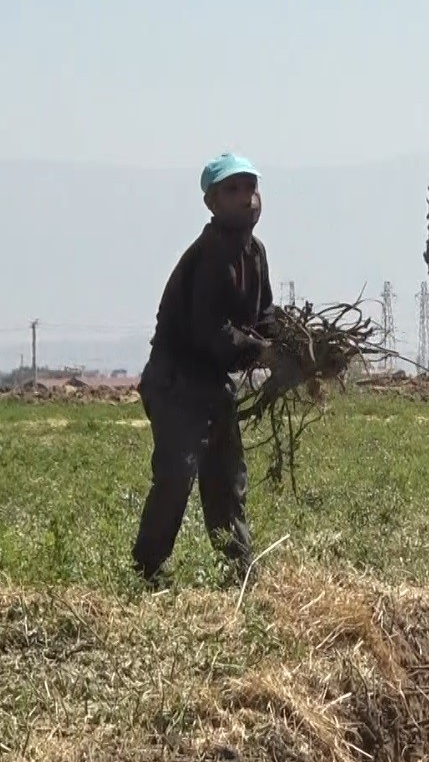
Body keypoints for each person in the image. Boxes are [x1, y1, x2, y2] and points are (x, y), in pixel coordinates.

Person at [131, 152, 278, 587]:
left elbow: (264, 313)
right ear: (211, 203)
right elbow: (212, 333)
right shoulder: (209, 254)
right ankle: (147, 571)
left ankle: (239, 575)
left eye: (251, 187)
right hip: (177, 382)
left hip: (215, 385)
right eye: (232, 190)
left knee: (227, 482)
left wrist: (293, 346)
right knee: (177, 475)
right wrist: (262, 352)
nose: (246, 198)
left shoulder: (254, 253)